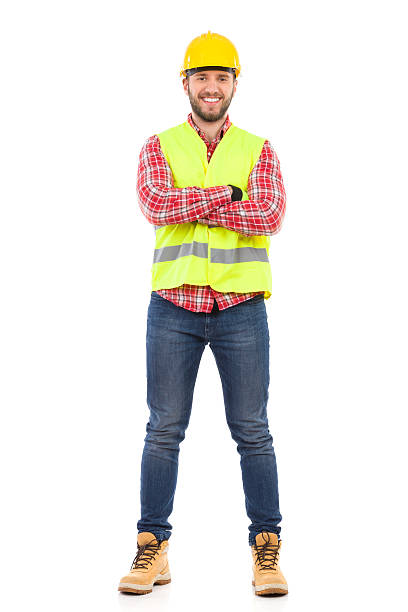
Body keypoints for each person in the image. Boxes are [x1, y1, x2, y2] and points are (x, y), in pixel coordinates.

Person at [118, 30, 288, 597]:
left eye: (221, 78)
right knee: (163, 430)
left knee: (253, 432)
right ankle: (152, 548)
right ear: (185, 82)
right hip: (174, 306)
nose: (211, 87)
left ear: (235, 84)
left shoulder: (259, 148)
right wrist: (225, 196)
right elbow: (154, 204)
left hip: (241, 309)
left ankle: (267, 549)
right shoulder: (158, 145)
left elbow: (269, 215)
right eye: (202, 77)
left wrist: (199, 199)